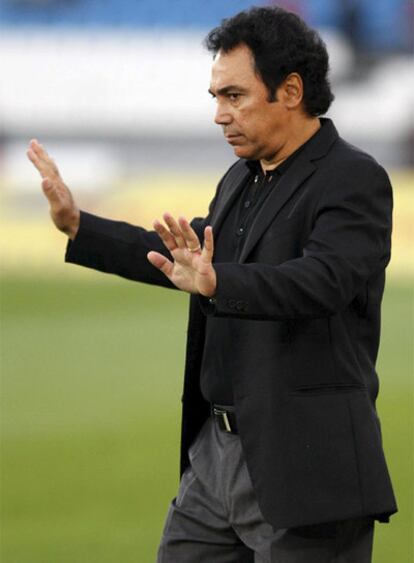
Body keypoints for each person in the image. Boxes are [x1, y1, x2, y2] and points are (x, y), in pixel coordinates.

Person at [27, 6, 397, 562]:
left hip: (304, 466)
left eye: (234, 96)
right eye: (216, 98)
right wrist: (82, 227)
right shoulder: (241, 177)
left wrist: (217, 280)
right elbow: (188, 253)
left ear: (290, 90)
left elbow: (323, 282)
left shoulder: (353, 178)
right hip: (215, 457)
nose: (220, 115)